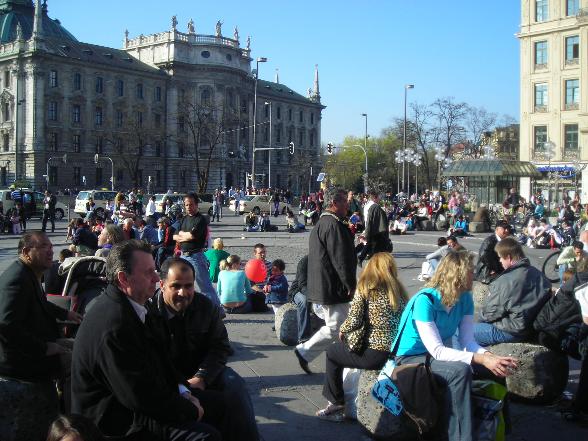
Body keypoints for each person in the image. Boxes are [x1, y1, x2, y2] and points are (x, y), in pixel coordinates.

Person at [71, 240, 221, 441]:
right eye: (148, 272)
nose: (156, 278)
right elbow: (139, 395)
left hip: (140, 402)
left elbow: (161, 360)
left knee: (227, 404)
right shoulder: (114, 325)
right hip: (116, 422)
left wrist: (184, 391)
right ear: (124, 279)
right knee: (206, 436)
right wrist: (189, 409)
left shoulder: (137, 306)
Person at [393, 250, 518, 441]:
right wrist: (482, 359)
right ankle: (460, 437)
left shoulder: (465, 298)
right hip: (411, 357)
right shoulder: (424, 301)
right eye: (470, 271)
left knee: (496, 369)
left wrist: (491, 358)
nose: (474, 275)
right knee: (459, 371)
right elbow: (437, 350)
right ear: (457, 274)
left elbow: (468, 341)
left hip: (435, 355)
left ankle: (500, 431)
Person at [146, 257, 259, 441]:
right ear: (163, 284)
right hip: (165, 377)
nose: (183, 292)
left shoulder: (206, 307)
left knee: (235, 385)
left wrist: (202, 376)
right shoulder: (149, 311)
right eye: (176, 286)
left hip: (200, 371)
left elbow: (220, 346)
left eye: (189, 286)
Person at [316, 253, 408, 421]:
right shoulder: (399, 291)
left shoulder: (367, 287)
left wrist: (342, 330)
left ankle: (336, 402)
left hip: (374, 354)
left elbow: (355, 319)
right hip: (395, 353)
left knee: (332, 352)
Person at [0, 232, 82, 411]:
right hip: (23, 360)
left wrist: (66, 314)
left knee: (83, 347)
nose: (51, 252)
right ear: (26, 252)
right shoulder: (16, 280)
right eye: (44, 247)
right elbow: (7, 327)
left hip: (40, 342)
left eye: (52, 247)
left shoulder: (28, 273)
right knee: (81, 360)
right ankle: (70, 415)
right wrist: (45, 348)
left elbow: (41, 302)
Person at [294, 188, 357, 374]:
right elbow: (340, 259)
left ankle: (342, 361)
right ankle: (306, 352)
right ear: (334, 204)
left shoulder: (324, 222)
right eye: (345, 201)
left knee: (339, 325)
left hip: (325, 284)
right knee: (337, 326)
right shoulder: (333, 225)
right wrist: (349, 284)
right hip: (333, 285)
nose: (348, 204)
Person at [475, 237, 552, 346]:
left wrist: (480, 317)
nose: (500, 261)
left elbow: (490, 313)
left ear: (509, 257)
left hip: (514, 331)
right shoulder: (539, 274)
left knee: (467, 332)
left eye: (500, 258)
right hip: (534, 328)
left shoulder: (505, 281)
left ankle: (478, 362)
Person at [173, 193, 219, 306]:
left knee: (205, 286)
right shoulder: (183, 219)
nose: (188, 207)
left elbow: (192, 236)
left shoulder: (200, 219)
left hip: (196, 256)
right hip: (183, 256)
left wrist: (182, 235)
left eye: (191, 204)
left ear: (196, 204)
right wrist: (185, 235)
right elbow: (174, 236)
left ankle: (217, 310)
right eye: (186, 205)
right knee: (184, 284)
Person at [362, 190, 392, 260]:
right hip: (375, 228)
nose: (380, 199)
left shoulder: (367, 205)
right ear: (375, 198)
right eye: (379, 197)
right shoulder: (374, 206)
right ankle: (363, 257)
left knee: (370, 244)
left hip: (370, 226)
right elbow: (375, 219)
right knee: (375, 246)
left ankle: (363, 256)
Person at [288, 255, 311, 344]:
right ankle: (303, 337)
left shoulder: (324, 261)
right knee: (304, 301)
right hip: (298, 291)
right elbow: (302, 284)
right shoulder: (304, 262)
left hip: (316, 291)